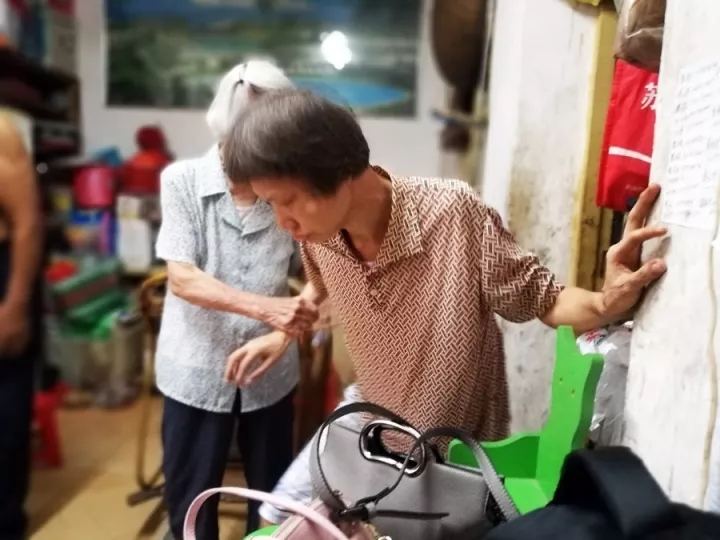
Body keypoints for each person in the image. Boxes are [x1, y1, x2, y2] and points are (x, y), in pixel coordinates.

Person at [219, 89, 668, 526]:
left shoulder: (453, 215)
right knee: (278, 516)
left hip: (450, 463)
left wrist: (606, 301)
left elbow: (546, 300)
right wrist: (282, 332)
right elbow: (318, 288)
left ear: (334, 169)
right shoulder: (319, 238)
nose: (283, 222)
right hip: (372, 430)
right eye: (271, 205)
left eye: (287, 201)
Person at [154, 62, 318, 540]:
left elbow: (320, 267)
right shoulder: (182, 181)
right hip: (196, 369)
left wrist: (289, 327)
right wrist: (267, 309)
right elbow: (183, 279)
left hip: (271, 373)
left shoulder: (289, 189)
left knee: (272, 497)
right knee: (191, 497)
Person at [0, 115, 43, 539]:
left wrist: (14, 306)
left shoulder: (1, 132)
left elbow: (27, 223)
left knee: (5, 410)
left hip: (3, 278)